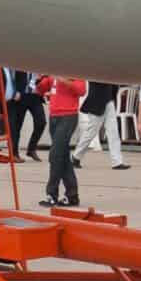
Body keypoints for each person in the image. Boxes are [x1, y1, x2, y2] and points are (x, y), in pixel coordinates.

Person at [39, 75, 85, 208]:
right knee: (63, 157)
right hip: (54, 116)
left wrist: (64, 80)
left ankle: (51, 194)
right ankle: (72, 195)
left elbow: (81, 90)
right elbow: (40, 88)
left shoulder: (73, 70)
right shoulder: (53, 71)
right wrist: (39, 79)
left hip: (68, 116)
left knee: (55, 155)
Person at [76, 80, 129, 170]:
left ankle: (117, 162)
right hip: (97, 101)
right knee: (91, 132)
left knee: (113, 131)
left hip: (108, 100)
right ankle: (76, 157)